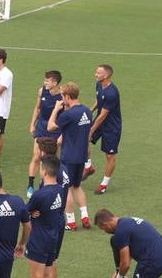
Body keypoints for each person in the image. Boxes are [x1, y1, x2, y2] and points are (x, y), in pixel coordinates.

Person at [15, 157, 65, 278]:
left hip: (38, 238)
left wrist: (33, 213)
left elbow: (24, 212)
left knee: (37, 277)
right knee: (49, 272)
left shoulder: (40, 194)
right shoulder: (60, 189)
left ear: (43, 170)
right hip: (53, 236)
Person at [49, 83, 94, 230]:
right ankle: (85, 215)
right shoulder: (87, 111)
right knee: (77, 186)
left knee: (66, 189)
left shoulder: (68, 114)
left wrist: (56, 110)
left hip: (68, 156)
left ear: (67, 96)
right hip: (81, 156)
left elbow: (50, 126)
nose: (62, 99)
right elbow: (80, 130)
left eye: (63, 96)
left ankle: (71, 222)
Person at [85, 65, 122, 194]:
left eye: (98, 73)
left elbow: (103, 115)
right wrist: (90, 110)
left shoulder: (112, 93)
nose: (95, 74)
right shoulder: (99, 85)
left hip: (111, 127)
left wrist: (91, 130)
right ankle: (88, 166)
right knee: (83, 140)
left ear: (105, 76)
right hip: (100, 121)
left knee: (110, 155)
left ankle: (104, 184)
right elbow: (98, 100)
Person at [26, 70, 62, 198]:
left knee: (51, 159)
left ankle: (47, 184)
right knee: (37, 157)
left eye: (47, 80)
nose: (45, 82)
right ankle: (30, 184)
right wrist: (32, 124)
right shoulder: (42, 91)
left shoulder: (63, 96)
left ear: (55, 82)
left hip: (55, 130)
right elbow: (38, 108)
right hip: (41, 127)